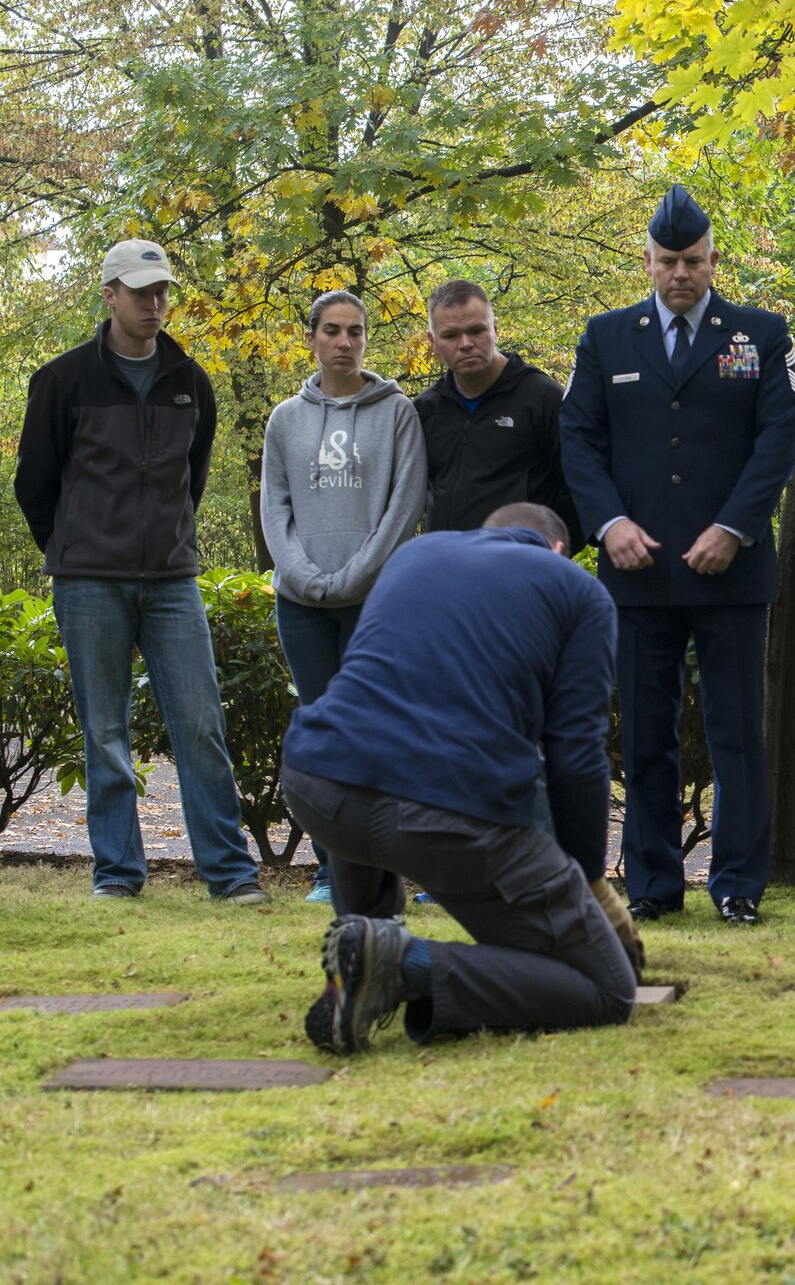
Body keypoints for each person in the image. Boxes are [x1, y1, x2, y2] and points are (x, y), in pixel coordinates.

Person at [283, 504, 641, 1054]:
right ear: (557, 551)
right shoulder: (576, 588)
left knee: (367, 784)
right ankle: (401, 964)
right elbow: (574, 752)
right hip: (455, 813)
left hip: (318, 780)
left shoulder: (415, 555)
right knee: (608, 989)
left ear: (483, 536)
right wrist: (589, 879)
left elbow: (371, 692)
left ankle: (364, 958)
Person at [562, 185, 795, 925]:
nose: (680, 275)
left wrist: (734, 527)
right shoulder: (606, 338)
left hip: (731, 570)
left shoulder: (760, 335)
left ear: (713, 260)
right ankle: (654, 885)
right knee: (645, 736)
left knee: (736, 733)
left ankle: (736, 885)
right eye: (667, 261)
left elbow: (778, 440)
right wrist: (607, 524)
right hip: (638, 572)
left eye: (693, 261)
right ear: (648, 260)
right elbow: (579, 439)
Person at [13, 239, 269, 904]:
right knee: (104, 731)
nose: (154, 303)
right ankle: (119, 874)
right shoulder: (63, 380)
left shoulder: (191, 380)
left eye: (161, 291)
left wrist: (166, 540)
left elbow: (193, 476)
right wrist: (75, 546)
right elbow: (34, 485)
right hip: (87, 581)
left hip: (172, 581)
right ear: (109, 295)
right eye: (139, 290)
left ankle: (230, 873)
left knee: (201, 723)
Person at [260, 291, 428, 904]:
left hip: (372, 601)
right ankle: (331, 872)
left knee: (373, 733)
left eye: (355, 332)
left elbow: (403, 507)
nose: (344, 342)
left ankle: (378, 870)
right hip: (301, 605)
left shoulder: (396, 413)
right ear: (312, 338)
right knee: (323, 732)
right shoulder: (285, 419)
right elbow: (274, 512)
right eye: (331, 331)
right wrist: (304, 577)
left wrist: (355, 576)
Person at [413, 280, 582, 549]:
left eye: (476, 330)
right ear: (433, 342)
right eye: (451, 335)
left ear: (494, 329)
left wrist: (550, 554)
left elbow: (580, 489)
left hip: (522, 568)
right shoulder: (426, 410)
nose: (466, 344)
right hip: (449, 569)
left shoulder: (542, 399)